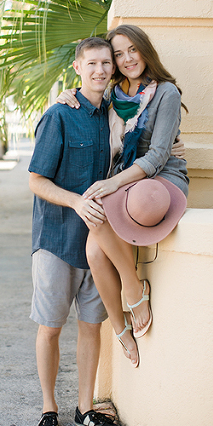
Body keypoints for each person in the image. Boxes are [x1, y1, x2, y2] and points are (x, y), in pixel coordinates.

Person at [56, 24, 188, 369]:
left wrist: (112, 185)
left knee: (102, 205)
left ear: (145, 49)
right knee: (93, 250)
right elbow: (83, 102)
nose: (127, 58)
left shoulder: (166, 93)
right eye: (118, 54)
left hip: (157, 178)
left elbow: (159, 155)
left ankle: (133, 288)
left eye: (133, 49)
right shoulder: (113, 95)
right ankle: (120, 327)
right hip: (121, 178)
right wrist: (63, 95)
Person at [27, 37, 125, 426]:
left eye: (106, 63)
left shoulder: (119, 114)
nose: (100, 70)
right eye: (92, 63)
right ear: (78, 68)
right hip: (56, 240)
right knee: (51, 327)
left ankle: (84, 408)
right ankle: (49, 408)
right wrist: (75, 201)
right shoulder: (60, 115)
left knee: (91, 327)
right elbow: (35, 179)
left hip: (100, 245)